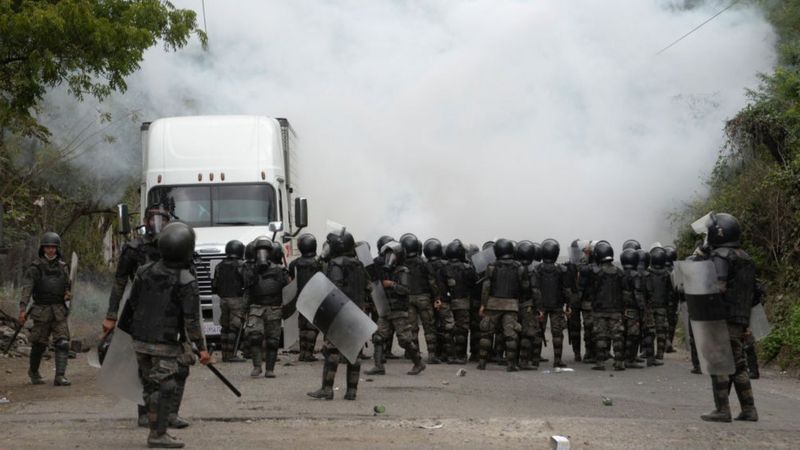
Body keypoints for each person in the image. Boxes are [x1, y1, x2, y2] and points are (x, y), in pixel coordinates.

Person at [118, 222, 211, 449]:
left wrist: (122, 333)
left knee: (153, 384)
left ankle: (160, 423)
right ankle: (157, 434)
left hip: (141, 340)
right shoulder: (187, 281)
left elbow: (132, 304)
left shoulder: (144, 271)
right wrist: (203, 348)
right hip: (165, 342)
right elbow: (191, 320)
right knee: (165, 386)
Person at [702, 213, 759, 422]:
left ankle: (722, 410)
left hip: (722, 317)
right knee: (739, 364)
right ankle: (749, 409)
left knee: (720, 363)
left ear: (718, 232)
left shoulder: (721, 256)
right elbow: (756, 292)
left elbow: (718, 286)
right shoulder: (746, 257)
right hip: (741, 318)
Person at [307, 231, 371, 400]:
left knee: (332, 351)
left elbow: (334, 290)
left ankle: (327, 389)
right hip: (358, 311)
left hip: (341, 311)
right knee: (354, 352)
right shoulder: (359, 264)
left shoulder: (335, 264)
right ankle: (352, 391)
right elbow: (368, 287)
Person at [365, 242, 426, 376]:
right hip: (385, 308)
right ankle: (378, 366)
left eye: (392, 254)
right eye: (387, 254)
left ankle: (418, 363)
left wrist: (391, 284)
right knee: (378, 337)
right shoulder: (383, 270)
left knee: (404, 339)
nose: (389, 257)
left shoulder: (403, 271)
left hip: (398, 309)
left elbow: (405, 289)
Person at [19, 232, 72, 386]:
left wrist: (68, 293)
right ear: (43, 249)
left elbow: (67, 286)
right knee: (39, 344)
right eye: (48, 247)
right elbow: (27, 289)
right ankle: (34, 372)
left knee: (62, 343)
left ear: (57, 249)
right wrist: (23, 309)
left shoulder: (63, 267)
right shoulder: (35, 268)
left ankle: (60, 376)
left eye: (53, 247)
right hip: (41, 310)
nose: (50, 250)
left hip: (59, 310)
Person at [478, 239, 528, 372]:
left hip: (493, 303)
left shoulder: (491, 266)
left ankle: (482, 362)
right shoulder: (519, 267)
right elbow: (525, 287)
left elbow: (486, 287)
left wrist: (483, 304)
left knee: (487, 333)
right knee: (510, 334)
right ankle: (511, 364)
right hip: (511, 304)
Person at [243, 237, 290, 378]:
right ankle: (257, 366)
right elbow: (247, 289)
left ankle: (270, 369)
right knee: (255, 337)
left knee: (272, 341)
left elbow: (287, 289)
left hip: (274, 308)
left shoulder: (280, 270)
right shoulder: (249, 269)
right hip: (256, 307)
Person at [402, 235, 443, 364]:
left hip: (408, 298)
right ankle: (431, 355)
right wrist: (437, 297)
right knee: (429, 326)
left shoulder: (401, 263)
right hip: (424, 297)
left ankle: (414, 355)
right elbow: (432, 282)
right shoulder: (424, 263)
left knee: (412, 328)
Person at [531, 239, 571, 368]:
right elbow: (567, 290)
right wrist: (568, 305)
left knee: (538, 332)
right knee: (558, 334)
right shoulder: (562, 269)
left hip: (541, 306)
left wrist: (538, 306)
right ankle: (557, 360)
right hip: (557, 306)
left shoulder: (537, 269)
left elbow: (535, 289)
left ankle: (535, 359)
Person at [589, 241, 626, 371]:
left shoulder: (596, 273)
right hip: (616, 309)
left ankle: (600, 363)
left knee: (600, 336)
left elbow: (591, 291)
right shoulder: (620, 272)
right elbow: (625, 292)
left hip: (600, 310)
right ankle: (619, 362)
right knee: (618, 336)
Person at [287, 233, 323, 361]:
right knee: (313, 327)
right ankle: (308, 354)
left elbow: (290, 281)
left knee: (303, 326)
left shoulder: (294, 264)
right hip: (316, 298)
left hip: (301, 298)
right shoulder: (320, 263)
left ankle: (303, 353)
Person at [442, 240, 477, 364]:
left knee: (448, 329)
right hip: (463, 302)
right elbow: (474, 284)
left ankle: (450, 356)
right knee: (462, 330)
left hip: (446, 302)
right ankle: (461, 356)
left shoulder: (443, 267)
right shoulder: (468, 268)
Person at [212, 240, 246, 362]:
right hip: (237, 299)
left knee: (225, 327)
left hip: (223, 300)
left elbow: (214, 285)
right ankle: (232, 355)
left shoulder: (219, 265)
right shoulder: (241, 265)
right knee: (234, 327)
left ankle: (225, 354)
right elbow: (247, 281)